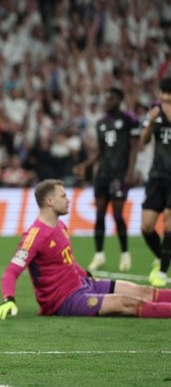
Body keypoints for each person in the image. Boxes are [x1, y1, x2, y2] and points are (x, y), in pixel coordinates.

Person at [0, 179, 171, 320]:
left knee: (143, 291)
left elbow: (66, 261)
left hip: (82, 283)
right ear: (50, 201)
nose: (68, 200)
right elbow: (11, 271)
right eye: (63, 196)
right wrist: (9, 299)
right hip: (64, 300)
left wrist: (87, 275)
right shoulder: (35, 235)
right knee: (127, 303)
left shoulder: (60, 225)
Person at [72, 87, 140, 273]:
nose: (106, 102)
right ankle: (99, 255)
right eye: (106, 99)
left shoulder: (130, 120)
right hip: (103, 174)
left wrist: (130, 172)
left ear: (119, 100)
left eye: (110, 99)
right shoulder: (101, 123)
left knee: (118, 213)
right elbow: (100, 151)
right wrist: (86, 165)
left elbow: (134, 148)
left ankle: (125, 253)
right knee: (100, 213)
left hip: (120, 173)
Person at [140, 77, 171, 288]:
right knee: (147, 226)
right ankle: (162, 257)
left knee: (169, 218)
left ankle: (162, 272)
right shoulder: (154, 113)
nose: (163, 97)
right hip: (157, 177)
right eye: (162, 93)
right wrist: (150, 122)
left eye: (167, 93)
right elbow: (144, 140)